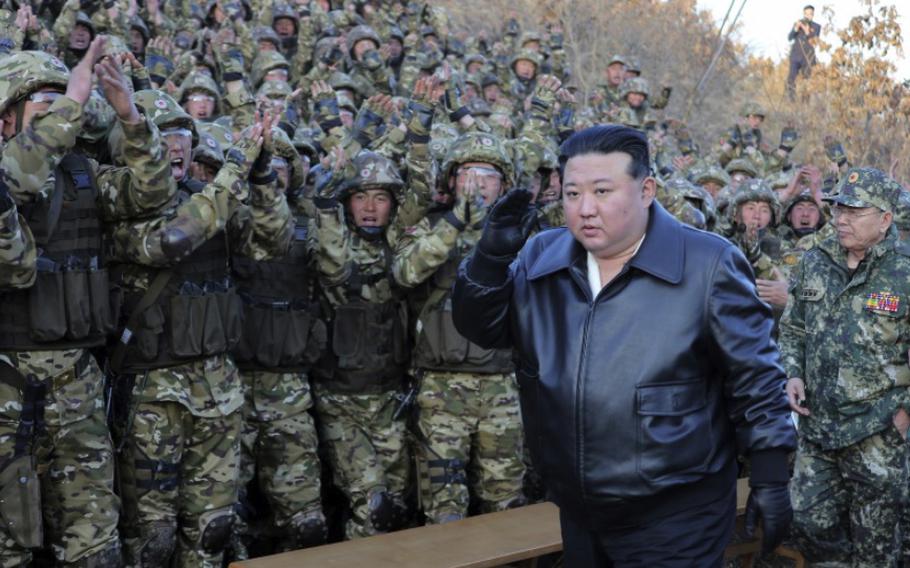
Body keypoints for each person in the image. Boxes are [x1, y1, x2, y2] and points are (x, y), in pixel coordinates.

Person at [452, 125, 796, 566]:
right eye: (573, 194)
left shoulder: (707, 263)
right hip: (578, 508)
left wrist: (769, 477)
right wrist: (490, 259)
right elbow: (480, 328)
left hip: (676, 516)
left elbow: (756, 375)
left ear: (646, 189)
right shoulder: (543, 255)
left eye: (602, 190)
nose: (585, 209)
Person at [781, 167, 910, 566]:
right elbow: (792, 327)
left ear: (886, 218)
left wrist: (905, 413)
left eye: (855, 211)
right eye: (838, 209)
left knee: (877, 541)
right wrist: (793, 373)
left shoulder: (903, 271)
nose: (840, 218)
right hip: (819, 427)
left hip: (879, 429)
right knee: (807, 519)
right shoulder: (815, 261)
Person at [787, 4, 821, 98]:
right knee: (791, 79)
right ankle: (791, 101)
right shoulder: (798, 23)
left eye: (810, 14)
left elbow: (815, 42)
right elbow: (789, 38)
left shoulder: (817, 26)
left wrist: (807, 32)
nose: (808, 16)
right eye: (806, 14)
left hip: (808, 57)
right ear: (803, 14)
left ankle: (804, 105)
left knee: (807, 81)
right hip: (795, 56)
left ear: (813, 15)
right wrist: (795, 29)